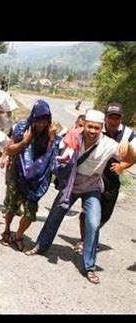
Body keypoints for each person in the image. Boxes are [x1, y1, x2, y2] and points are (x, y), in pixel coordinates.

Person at [26, 109, 133, 284]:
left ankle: (89, 267)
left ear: (101, 128)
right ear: (85, 126)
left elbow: (130, 158)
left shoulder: (109, 144)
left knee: (93, 223)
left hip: (92, 187)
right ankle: (40, 246)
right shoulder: (73, 137)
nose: (92, 131)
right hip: (71, 185)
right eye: (89, 127)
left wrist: (127, 151)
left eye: (96, 128)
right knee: (55, 216)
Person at [73, 103, 135, 254]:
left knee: (105, 214)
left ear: (121, 118)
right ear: (105, 117)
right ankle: (85, 241)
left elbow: (134, 156)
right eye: (111, 117)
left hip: (111, 178)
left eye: (117, 117)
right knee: (88, 210)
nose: (114, 121)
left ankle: (91, 233)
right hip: (93, 176)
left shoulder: (128, 134)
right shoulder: (97, 127)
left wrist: (123, 166)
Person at [0, 100, 60, 252]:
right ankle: (7, 229)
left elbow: (50, 155)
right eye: (39, 120)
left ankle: (18, 235)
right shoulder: (21, 128)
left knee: (30, 213)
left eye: (45, 120)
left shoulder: (50, 132)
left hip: (36, 179)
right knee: (11, 207)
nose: (41, 124)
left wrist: (52, 140)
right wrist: (25, 142)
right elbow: (10, 149)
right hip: (17, 174)